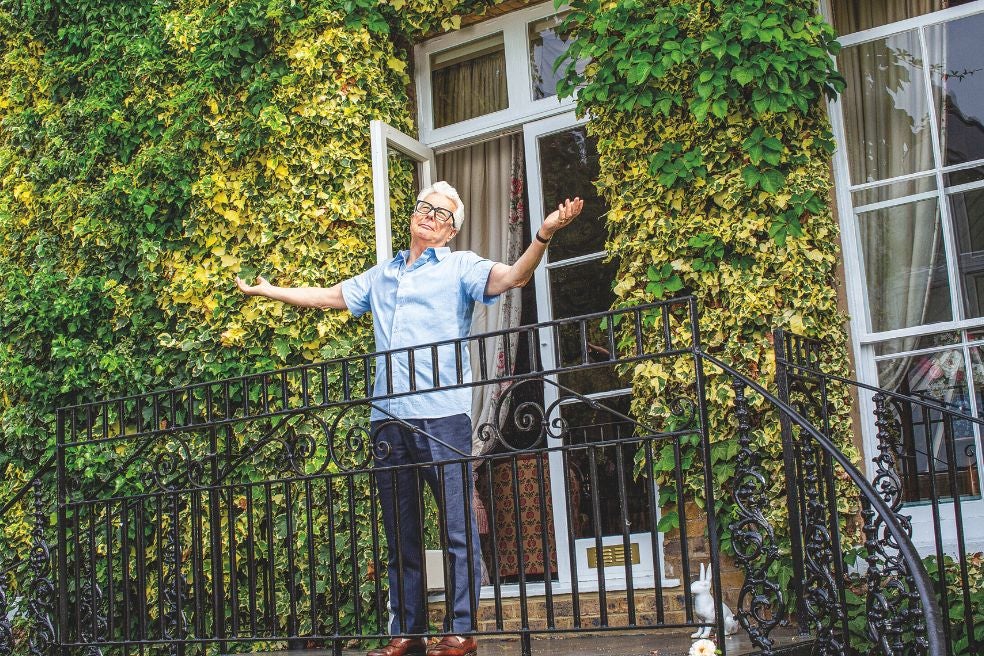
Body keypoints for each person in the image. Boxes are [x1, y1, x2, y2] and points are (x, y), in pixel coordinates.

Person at [236, 181, 582, 656]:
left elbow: (512, 278)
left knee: (457, 529)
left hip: (442, 416)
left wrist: (542, 235)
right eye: (425, 207)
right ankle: (408, 633)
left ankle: (461, 631)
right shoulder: (382, 275)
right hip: (388, 419)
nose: (429, 216)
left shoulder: (460, 267)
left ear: (451, 231)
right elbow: (329, 296)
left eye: (441, 214)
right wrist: (269, 291)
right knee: (401, 534)